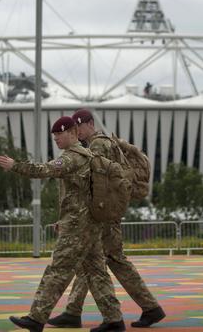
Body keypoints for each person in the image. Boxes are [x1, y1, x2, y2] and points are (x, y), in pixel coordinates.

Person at [0, 116, 126, 332]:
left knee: (58, 270)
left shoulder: (71, 158)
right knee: (96, 272)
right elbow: (79, 195)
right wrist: (64, 218)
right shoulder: (88, 155)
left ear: (73, 132)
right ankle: (114, 320)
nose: (56, 138)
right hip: (90, 224)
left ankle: (36, 318)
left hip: (77, 228)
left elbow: (44, 170)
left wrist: (14, 166)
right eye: (54, 135)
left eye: (59, 134)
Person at [47, 109, 165, 329]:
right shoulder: (99, 144)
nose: (77, 130)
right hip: (103, 213)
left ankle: (149, 308)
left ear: (90, 123)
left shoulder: (98, 145)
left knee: (111, 259)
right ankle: (73, 311)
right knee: (91, 260)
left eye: (79, 125)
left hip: (103, 215)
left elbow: (98, 185)